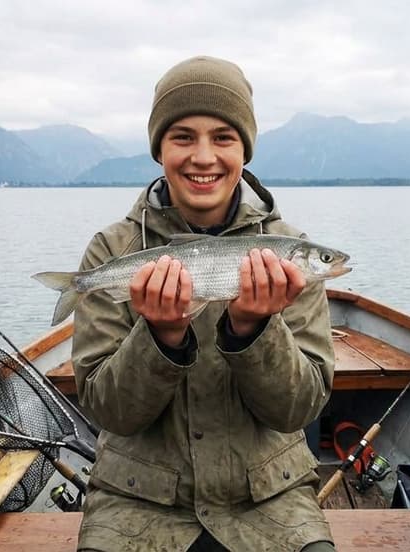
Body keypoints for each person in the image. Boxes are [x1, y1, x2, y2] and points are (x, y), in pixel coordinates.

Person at [72, 55, 336, 552]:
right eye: (183, 137)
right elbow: (109, 411)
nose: (203, 156)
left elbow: (299, 408)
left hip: (271, 502)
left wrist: (254, 329)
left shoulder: (287, 247)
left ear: (245, 150)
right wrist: (161, 337)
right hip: (136, 503)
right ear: (158, 150)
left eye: (223, 137)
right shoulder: (112, 250)